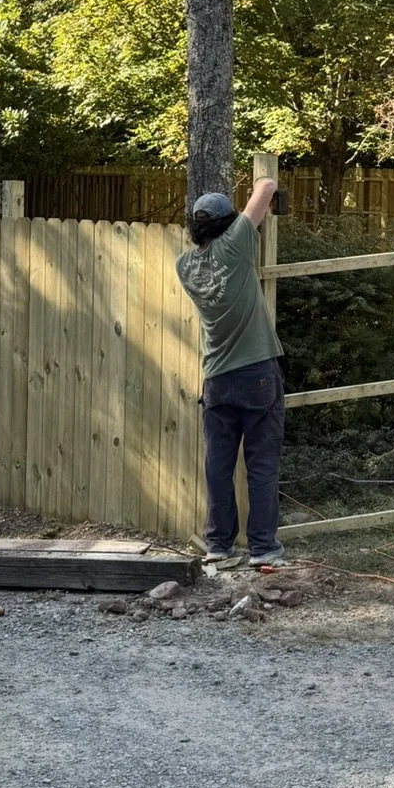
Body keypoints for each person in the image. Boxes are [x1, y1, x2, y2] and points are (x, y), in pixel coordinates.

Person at [175, 176, 287, 571]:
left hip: (217, 378)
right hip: (256, 371)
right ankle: (263, 548)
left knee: (218, 465)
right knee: (261, 462)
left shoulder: (184, 266)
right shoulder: (237, 244)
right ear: (229, 223)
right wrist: (264, 188)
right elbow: (267, 185)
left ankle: (219, 544)